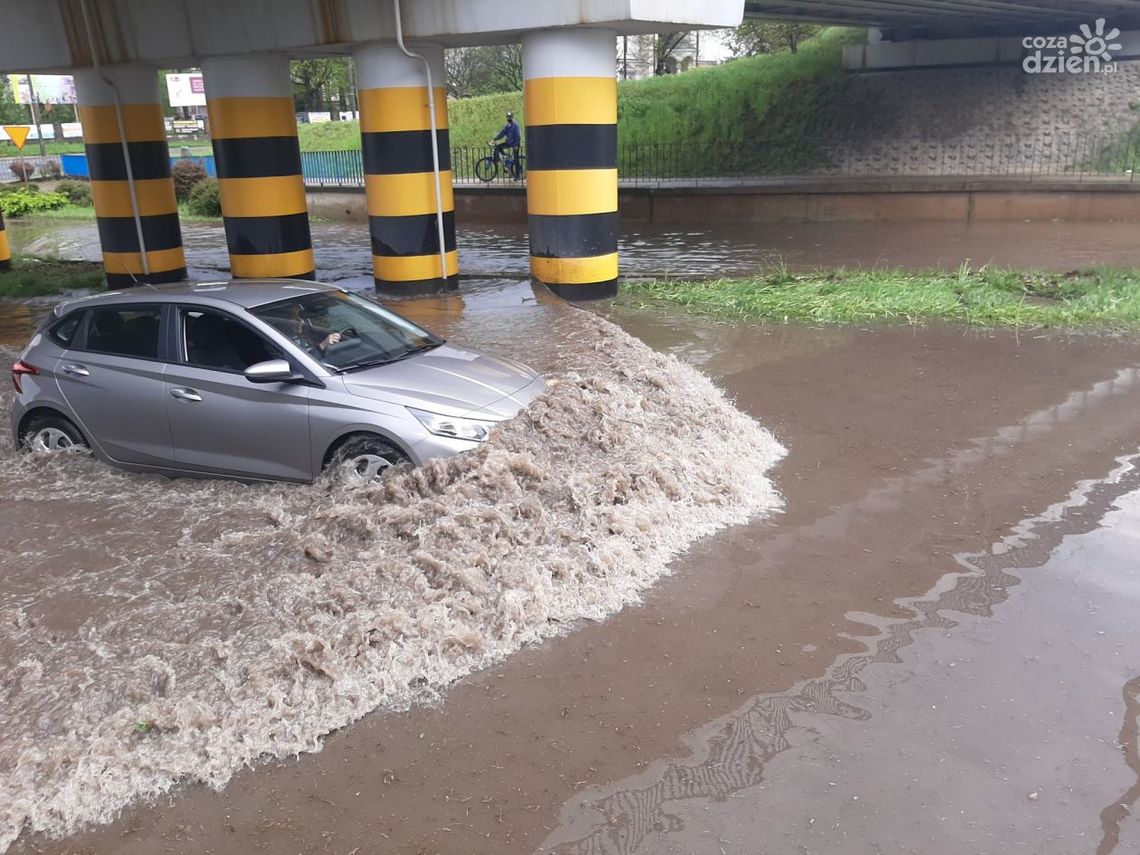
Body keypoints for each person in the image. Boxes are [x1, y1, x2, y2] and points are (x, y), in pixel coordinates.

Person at [268, 304, 341, 355]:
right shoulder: (275, 343)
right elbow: (298, 367)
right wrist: (322, 346)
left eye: (301, 316)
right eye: (294, 317)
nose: (301, 321)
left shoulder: (307, 332)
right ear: (283, 319)